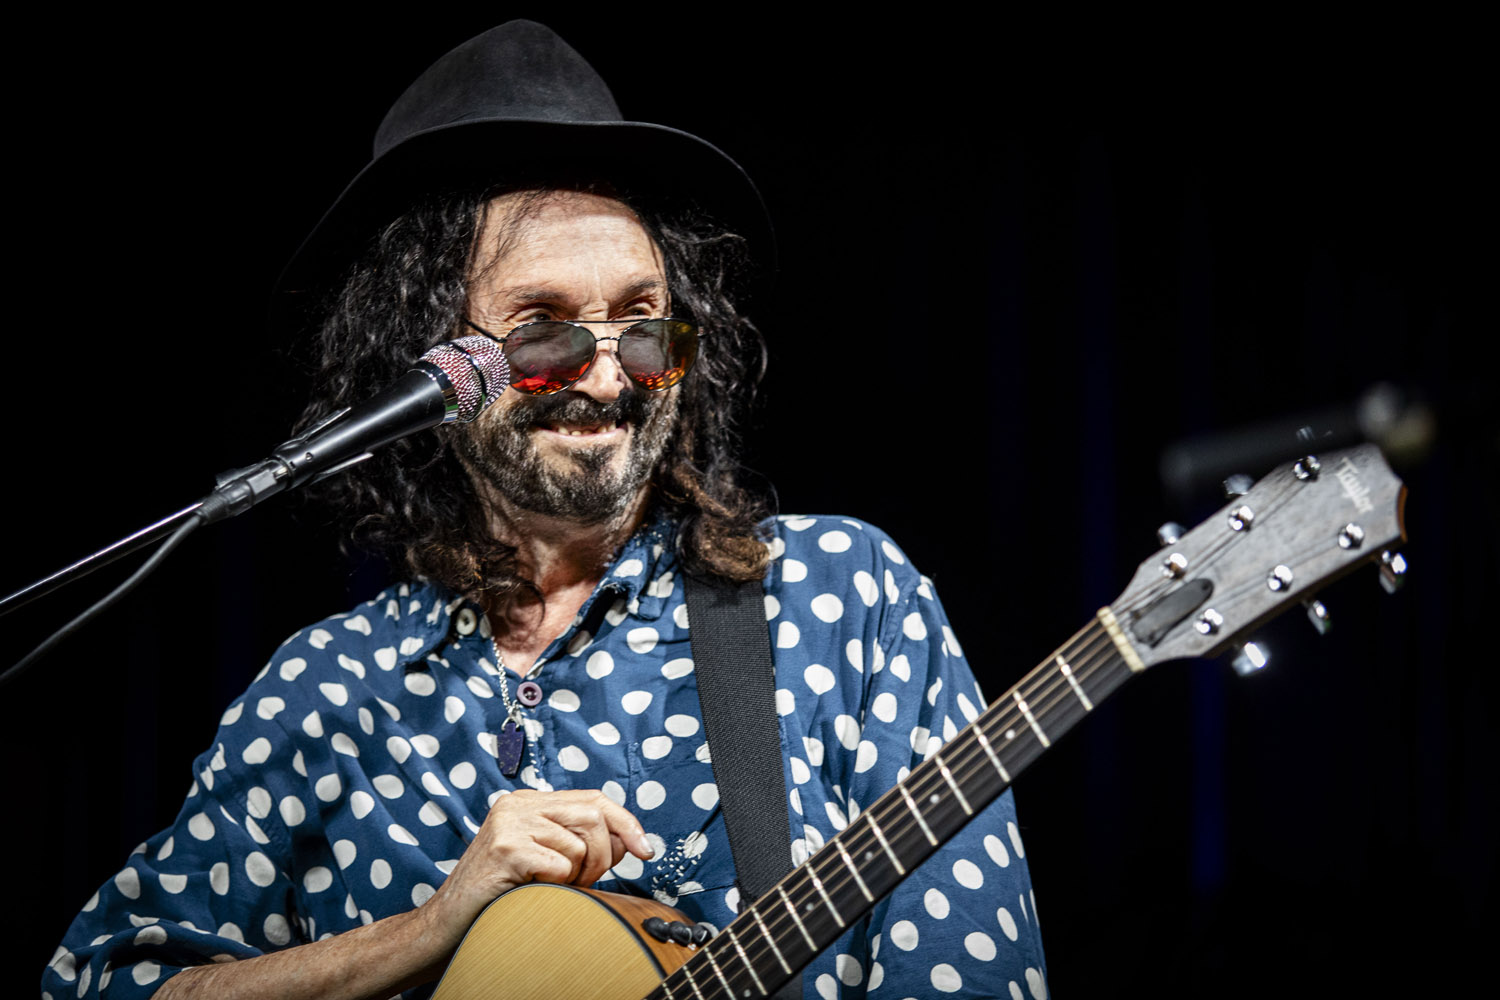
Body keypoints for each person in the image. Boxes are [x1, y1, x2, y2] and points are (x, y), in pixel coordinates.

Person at [42, 20, 1048, 1000]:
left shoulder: (840, 597)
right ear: (431, 359)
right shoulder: (328, 690)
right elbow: (100, 982)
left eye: (642, 325)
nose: (608, 378)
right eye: (543, 331)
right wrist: (428, 932)